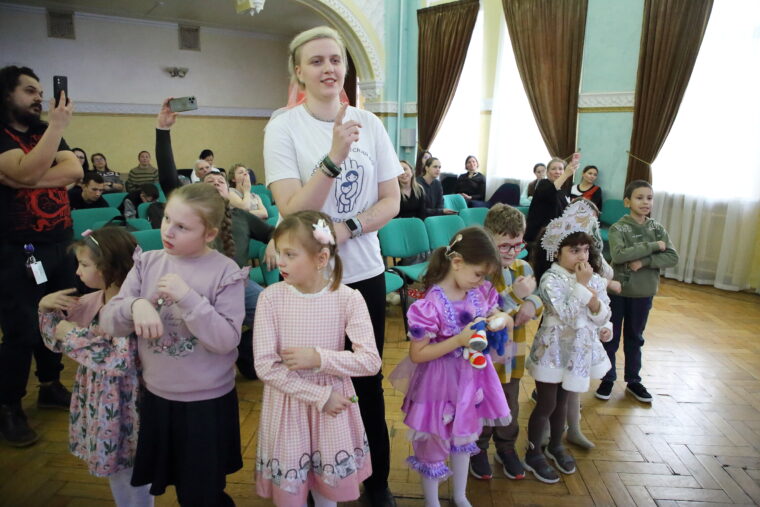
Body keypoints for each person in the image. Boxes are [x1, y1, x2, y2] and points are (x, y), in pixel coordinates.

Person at [263, 26, 401, 507]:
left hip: (362, 275)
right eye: (316, 61)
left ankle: (375, 483)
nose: (328, 69)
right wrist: (334, 156)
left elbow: (391, 199)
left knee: (366, 381)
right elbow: (291, 212)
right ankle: (314, 480)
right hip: (309, 284)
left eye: (335, 59)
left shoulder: (370, 123)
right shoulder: (283, 127)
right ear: (298, 72)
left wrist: (348, 228)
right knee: (311, 382)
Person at [100, 183, 247, 505]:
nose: (168, 231)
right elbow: (108, 320)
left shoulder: (225, 271)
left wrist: (188, 298)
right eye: (167, 219)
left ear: (209, 234)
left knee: (201, 493)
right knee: (181, 485)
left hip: (206, 404)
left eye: (182, 227)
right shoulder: (147, 262)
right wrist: (135, 305)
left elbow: (226, 340)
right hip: (158, 398)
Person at [253, 211, 381, 507]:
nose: (279, 261)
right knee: (291, 495)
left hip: (331, 412)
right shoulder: (270, 298)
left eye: (290, 254)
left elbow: (370, 361)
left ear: (321, 258)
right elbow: (265, 366)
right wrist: (319, 395)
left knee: (327, 495)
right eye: (278, 252)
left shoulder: (348, 298)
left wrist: (319, 358)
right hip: (290, 408)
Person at [389, 227, 511, 507]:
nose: (481, 281)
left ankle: (459, 495)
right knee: (434, 443)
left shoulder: (478, 291)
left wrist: (500, 318)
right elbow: (418, 354)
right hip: (437, 385)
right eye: (478, 274)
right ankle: (432, 501)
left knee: (464, 438)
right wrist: (458, 340)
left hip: (470, 381)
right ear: (457, 262)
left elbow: (496, 313)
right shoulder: (431, 304)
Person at [154, 97, 273, 380]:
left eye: (221, 181)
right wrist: (163, 131)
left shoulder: (241, 216)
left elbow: (275, 232)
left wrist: (274, 243)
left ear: (228, 190)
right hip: (193, 284)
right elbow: (168, 179)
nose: (216, 182)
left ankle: (243, 354)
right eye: (209, 181)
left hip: (236, 284)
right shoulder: (192, 213)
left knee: (272, 311)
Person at [38, 227, 153, 506]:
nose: (77, 272)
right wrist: (45, 308)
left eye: (84, 264)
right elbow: (55, 341)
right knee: (118, 470)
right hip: (101, 401)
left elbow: (118, 360)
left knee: (134, 469)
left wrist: (71, 334)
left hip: (127, 401)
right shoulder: (90, 301)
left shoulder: (131, 307)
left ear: (109, 267)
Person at [0, 65, 81, 447]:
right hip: (21, 249)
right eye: (29, 91)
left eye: (39, 91)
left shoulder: (44, 132)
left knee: (56, 315)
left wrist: (24, 177)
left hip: (58, 243)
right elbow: (30, 168)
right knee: (22, 328)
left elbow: (73, 170)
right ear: (7, 95)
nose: (39, 98)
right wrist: (56, 130)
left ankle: (50, 385)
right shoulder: (4, 135)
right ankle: (9, 406)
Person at [524, 201, 613, 484]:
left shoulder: (592, 278)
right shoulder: (551, 278)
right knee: (547, 403)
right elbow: (565, 313)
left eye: (585, 249)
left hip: (576, 351)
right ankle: (533, 451)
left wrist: (602, 318)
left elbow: (603, 313)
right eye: (574, 250)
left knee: (563, 402)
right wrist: (583, 287)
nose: (582, 255)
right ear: (557, 251)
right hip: (552, 351)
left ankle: (555, 445)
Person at [469, 204, 543, 481]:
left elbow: (539, 297)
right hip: (485, 359)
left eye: (517, 245)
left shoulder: (523, 266)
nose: (512, 252)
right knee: (482, 403)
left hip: (514, 356)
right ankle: (478, 447)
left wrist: (532, 303)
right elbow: (485, 315)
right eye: (505, 246)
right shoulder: (479, 271)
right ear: (489, 238)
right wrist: (516, 295)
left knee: (510, 403)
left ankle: (506, 447)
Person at [596, 180, 679, 404]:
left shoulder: (657, 228)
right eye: (639, 197)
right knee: (610, 338)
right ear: (627, 202)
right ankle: (607, 378)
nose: (645, 202)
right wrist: (653, 246)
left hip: (643, 293)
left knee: (635, 338)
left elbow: (672, 257)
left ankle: (633, 381)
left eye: (649, 198)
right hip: (618, 292)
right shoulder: (618, 228)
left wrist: (644, 262)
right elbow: (619, 255)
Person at [524, 156, 579, 250]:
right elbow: (551, 191)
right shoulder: (543, 184)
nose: (557, 172)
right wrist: (566, 174)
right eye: (553, 169)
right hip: (540, 235)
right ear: (547, 172)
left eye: (560, 169)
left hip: (557, 232)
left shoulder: (562, 191)